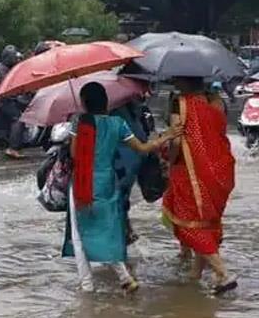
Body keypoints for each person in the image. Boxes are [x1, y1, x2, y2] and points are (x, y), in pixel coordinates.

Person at [63, 82, 181, 293]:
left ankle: (87, 284)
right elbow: (144, 148)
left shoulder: (80, 123)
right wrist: (168, 136)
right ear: (106, 102)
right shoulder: (118, 123)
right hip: (108, 183)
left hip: (83, 182)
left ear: (84, 103)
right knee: (108, 230)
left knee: (80, 234)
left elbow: (74, 155)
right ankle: (125, 277)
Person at [162, 77, 237, 294]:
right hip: (220, 170)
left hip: (191, 171)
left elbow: (176, 140)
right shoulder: (217, 102)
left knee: (188, 224)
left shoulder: (181, 103)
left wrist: (170, 159)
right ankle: (195, 275)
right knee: (206, 222)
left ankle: (222, 273)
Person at [112, 96, 152, 244]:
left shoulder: (120, 114)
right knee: (120, 197)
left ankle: (122, 235)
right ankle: (125, 231)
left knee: (118, 197)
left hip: (123, 159)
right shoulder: (131, 107)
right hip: (127, 158)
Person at [0, 45, 25, 159]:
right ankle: (13, 148)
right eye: (13, 58)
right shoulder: (2, 70)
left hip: (2, 98)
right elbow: (9, 87)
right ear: (7, 58)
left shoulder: (5, 68)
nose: (16, 60)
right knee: (18, 118)